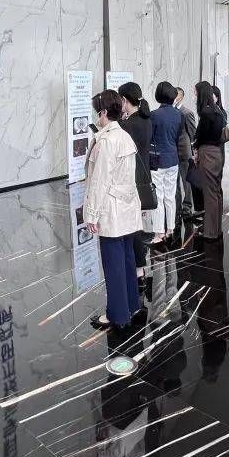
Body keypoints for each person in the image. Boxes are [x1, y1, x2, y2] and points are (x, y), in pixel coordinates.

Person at [85, 90, 144, 331]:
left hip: (112, 209)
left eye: (97, 112)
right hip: (127, 206)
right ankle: (131, 305)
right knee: (127, 260)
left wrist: (91, 214)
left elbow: (100, 182)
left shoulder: (107, 141)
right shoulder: (123, 136)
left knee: (113, 264)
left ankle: (117, 314)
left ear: (103, 112)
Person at [117, 82, 156, 284]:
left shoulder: (127, 125)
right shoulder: (145, 119)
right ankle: (140, 268)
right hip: (144, 177)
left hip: (131, 180)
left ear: (124, 100)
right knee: (137, 226)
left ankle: (138, 269)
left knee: (133, 229)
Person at [149, 82, 185, 245]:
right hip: (173, 159)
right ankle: (170, 228)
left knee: (158, 196)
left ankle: (159, 232)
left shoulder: (154, 115)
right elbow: (177, 136)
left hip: (157, 161)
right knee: (170, 196)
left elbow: (151, 137)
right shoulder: (179, 114)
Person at [192, 81, 227, 240]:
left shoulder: (206, 113)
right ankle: (216, 229)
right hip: (217, 153)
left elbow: (201, 137)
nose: (194, 95)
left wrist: (196, 147)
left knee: (210, 194)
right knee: (216, 192)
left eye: (195, 92)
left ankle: (210, 233)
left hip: (207, 153)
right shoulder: (217, 110)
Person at [174, 87, 198, 218]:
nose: (174, 97)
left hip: (184, 151)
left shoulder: (187, 113)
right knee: (175, 182)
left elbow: (193, 133)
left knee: (186, 181)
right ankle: (177, 207)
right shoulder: (171, 112)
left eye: (177, 95)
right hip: (173, 152)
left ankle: (187, 206)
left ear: (181, 97)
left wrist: (194, 151)